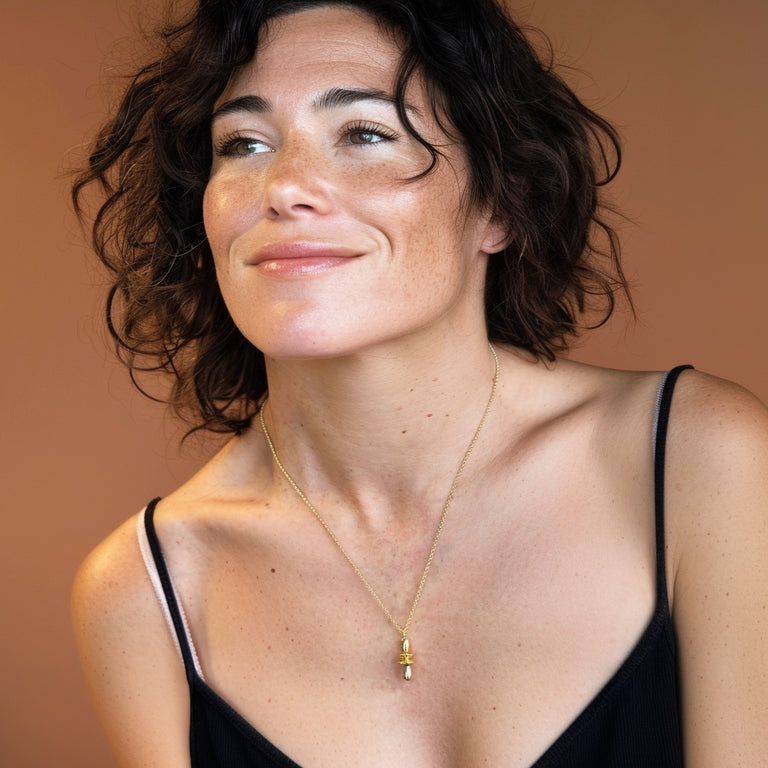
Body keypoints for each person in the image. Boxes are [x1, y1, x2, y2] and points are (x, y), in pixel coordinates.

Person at [71, 0, 768, 766]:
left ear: (500, 204)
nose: (285, 187)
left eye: (364, 134)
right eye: (243, 143)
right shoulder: (142, 594)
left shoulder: (706, 461)